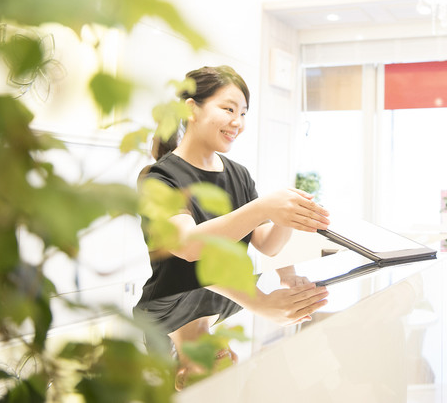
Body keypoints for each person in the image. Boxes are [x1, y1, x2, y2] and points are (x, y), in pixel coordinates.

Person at [133, 65, 331, 388]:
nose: (238, 122)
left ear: (192, 108)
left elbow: (261, 243)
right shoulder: (231, 305)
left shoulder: (159, 316)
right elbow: (193, 248)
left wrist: (286, 216)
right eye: (230, 110)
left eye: (240, 112)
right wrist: (270, 210)